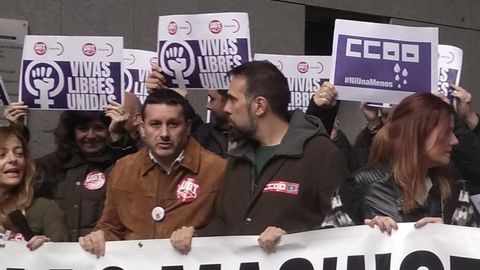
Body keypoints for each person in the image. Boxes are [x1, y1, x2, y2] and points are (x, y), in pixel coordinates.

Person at [170, 61, 348, 254]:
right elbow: (225, 223)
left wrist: (291, 239)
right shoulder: (238, 158)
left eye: (233, 99)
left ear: (260, 106)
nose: (227, 108)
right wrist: (195, 238)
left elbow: (342, 225)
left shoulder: (320, 154)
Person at [79, 89, 226, 257]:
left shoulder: (217, 170)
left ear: (187, 128)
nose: (164, 134)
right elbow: (112, 227)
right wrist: (99, 236)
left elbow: (229, 227)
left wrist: (199, 237)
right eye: (155, 124)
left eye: (173, 124)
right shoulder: (124, 168)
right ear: (142, 128)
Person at [336, 92, 479, 233]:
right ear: (419, 133)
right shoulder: (360, 186)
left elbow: (473, 251)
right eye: (447, 132)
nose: (455, 141)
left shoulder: (455, 191)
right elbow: (327, 244)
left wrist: (448, 236)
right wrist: (366, 234)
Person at [0, 126, 68, 250]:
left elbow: (65, 260)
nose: (13, 159)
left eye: (19, 154)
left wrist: (47, 250)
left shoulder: (45, 209)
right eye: (2, 155)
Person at [193, 89, 232, 157]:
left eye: (212, 99)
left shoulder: (253, 138)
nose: (208, 106)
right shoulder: (201, 135)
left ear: (229, 102)